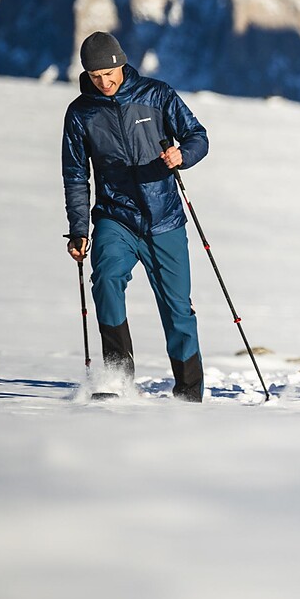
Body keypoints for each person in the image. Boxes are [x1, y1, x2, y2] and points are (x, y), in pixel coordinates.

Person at [61, 30, 210, 401]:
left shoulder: (156, 95)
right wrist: (79, 229)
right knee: (106, 279)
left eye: (108, 73)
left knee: (178, 308)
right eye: (95, 76)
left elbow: (197, 136)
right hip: (116, 217)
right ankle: (117, 380)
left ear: (122, 64)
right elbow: (76, 174)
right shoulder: (81, 113)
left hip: (164, 218)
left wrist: (182, 156)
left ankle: (189, 393)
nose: (104, 81)